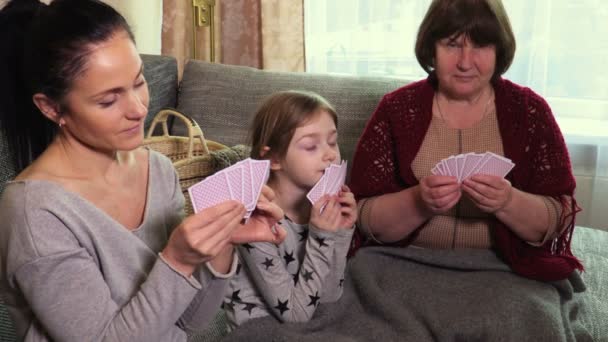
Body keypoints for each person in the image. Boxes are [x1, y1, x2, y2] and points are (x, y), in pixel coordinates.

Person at [0, 0, 284, 341]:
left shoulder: (159, 170)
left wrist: (221, 242)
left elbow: (188, 322)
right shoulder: (36, 213)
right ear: (50, 107)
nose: (138, 109)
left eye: (138, 82)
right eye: (108, 100)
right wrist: (177, 260)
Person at [349, 0, 583, 281]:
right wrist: (417, 202)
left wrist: (508, 201)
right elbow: (360, 213)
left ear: (499, 51)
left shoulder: (530, 111)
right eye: (452, 44)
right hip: (406, 262)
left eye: (481, 46)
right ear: (431, 49)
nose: (465, 62)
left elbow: (559, 215)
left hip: (506, 271)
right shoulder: (395, 110)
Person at [222, 91, 357, 329]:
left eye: (333, 142)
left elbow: (328, 300)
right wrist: (322, 238)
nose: (330, 154)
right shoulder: (256, 220)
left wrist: (342, 233)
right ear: (273, 159)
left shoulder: (317, 212)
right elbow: (295, 317)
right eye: (311, 146)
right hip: (259, 332)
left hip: (306, 326)